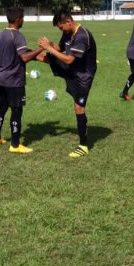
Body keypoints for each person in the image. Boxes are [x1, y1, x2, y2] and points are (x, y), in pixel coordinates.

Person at [37, 11, 97, 158]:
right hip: (72, 70)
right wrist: (49, 45)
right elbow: (60, 48)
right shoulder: (67, 32)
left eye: (61, 27)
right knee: (44, 56)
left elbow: (69, 59)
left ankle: (83, 146)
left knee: (79, 107)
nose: (60, 30)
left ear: (69, 22)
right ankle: (21, 55)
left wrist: (49, 48)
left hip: (83, 76)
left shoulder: (82, 35)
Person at [0, 8, 44, 154]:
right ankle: (15, 145)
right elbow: (25, 57)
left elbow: (18, 52)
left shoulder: (2, 34)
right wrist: (41, 48)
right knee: (16, 110)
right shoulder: (18, 36)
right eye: (23, 18)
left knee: (2, 107)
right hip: (14, 81)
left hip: (1, 78)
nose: (23, 21)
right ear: (18, 19)